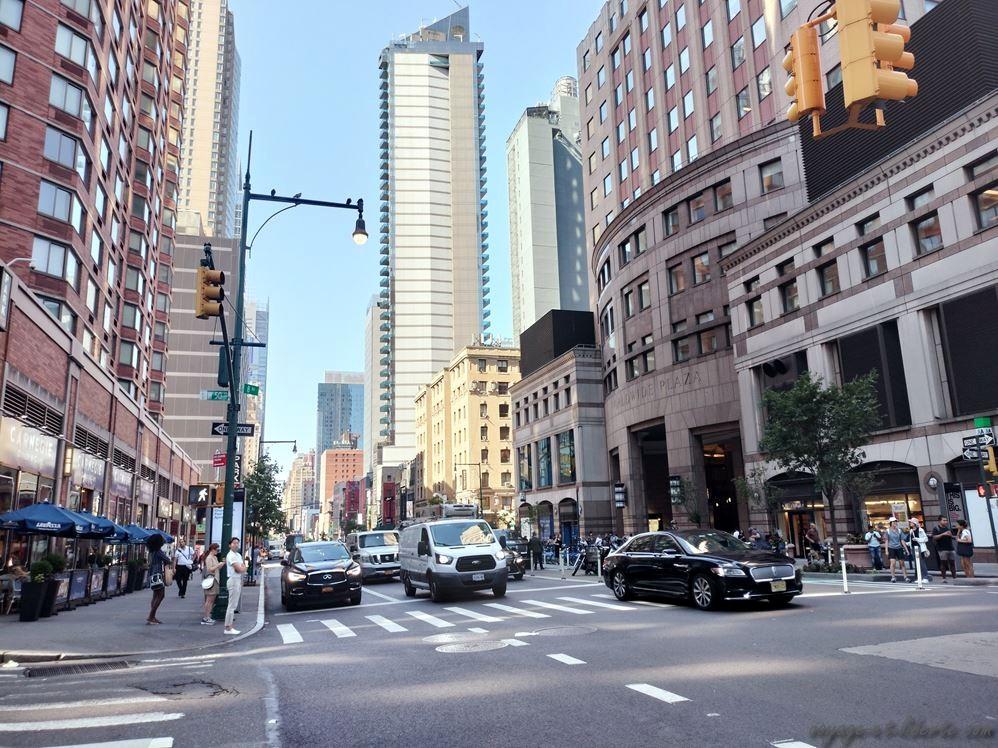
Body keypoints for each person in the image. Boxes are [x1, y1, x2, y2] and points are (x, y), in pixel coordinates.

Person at [146, 534, 172, 625]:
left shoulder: (151, 551)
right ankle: (151, 616)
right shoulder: (158, 551)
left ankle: (152, 616)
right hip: (158, 575)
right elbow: (167, 560)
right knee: (161, 595)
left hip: (152, 574)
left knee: (155, 595)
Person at [224, 537, 246, 634]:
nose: (236, 545)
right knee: (232, 605)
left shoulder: (238, 555)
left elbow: (243, 567)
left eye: (237, 543)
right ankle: (228, 627)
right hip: (233, 579)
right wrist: (242, 568)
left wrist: (242, 568)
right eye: (234, 543)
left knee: (234, 604)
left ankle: (229, 626)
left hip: (237, 579)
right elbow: (239, 569)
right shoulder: (231, 555)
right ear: (230, 545)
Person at [931, 515, 957, 582]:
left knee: (952, 563)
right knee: (943, 563)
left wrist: (951, 535)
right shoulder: (936, 528)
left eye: (946, 520)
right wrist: (943, 534)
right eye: (944, 520)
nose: (946, 522)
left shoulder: (948, 528)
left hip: (950, 548)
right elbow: (934, 537)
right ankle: (944, 578)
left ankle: (954, 577)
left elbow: (954, 537)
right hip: (942, 549)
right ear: (939, 521)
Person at [201, 542, 220, 625]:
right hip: (211, 579)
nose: (217, 551)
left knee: (211, 600)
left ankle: (208, 616)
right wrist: (218, 565)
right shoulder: (209, 558)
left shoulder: (214, 557)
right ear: (212, 550)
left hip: (215, 579)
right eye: (217, 550)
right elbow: (209, 569)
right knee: (209, 600)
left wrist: (221, 564)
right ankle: (206, 617)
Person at [885, 518, 910, 583]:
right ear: (890, 523)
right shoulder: (887, 531)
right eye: (893, 522)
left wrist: (906, 549)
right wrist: (886, 550)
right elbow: (886, 541)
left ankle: (905, 577)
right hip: (891, 548)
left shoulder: (899, 530)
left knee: (902, 563)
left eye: (895, 522)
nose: (895, 523)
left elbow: (902, 540)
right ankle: (893, 577)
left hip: (899, 548)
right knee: (893, 563)